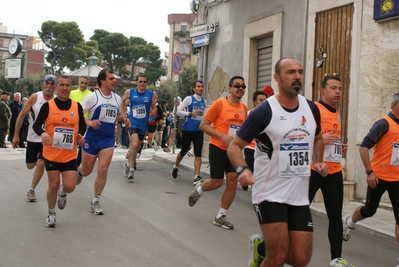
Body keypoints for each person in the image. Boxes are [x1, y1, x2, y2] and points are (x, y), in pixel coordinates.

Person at [227, 58, 328, 267]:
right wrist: (243, 169)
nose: (297, 76)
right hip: (269, 193)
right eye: (291, 72)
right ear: (277, 78)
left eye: (300, 72)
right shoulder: (264, 111)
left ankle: (261, 248)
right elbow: (234, 146)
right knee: (278, 257)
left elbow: (317, 137)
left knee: (301, 259)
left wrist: (318, 161)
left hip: (298, 195)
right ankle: (268, 252)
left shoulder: (312, 109)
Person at [343, 92, 399, 265]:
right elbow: (364, 147)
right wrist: (369, 172)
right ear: (393, 105)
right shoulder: (383, 123)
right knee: (370, 210)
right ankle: (350, 221)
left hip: (397, 179)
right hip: (378, 177)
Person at [188, 76, 247, 230]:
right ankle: (199, 189)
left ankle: (221, 216)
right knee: (217, 182)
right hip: (218, 148)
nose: (240, 88)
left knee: (233, 181)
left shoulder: (243, 108)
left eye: (243, 86)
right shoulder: (220, 104)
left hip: (234, 151)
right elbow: (203, 125)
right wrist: (222, 136)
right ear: (230, 88)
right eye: (237, 86)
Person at [308, 76, 353, 267]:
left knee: (335, 216)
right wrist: (319, 138)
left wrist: (338, 148)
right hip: (313, 170)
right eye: (333, 88)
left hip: (334, 172)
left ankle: (336, 259)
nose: (338, 92)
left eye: (340, 89)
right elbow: (299, 136)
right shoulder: (314, 109)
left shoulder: (336, 112)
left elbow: (329, 139)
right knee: (298, 211)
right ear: (322, 91)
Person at [32, 75, 86, 228]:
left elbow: (82, 125)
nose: (64, 88)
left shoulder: (77, 106)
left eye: (67, 85)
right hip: (51, 153)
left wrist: (80, 135)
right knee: (53, 185)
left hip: (69, 154)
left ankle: (63, 193)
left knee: (70, 186)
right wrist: (42, 133)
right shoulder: (48, 106)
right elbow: (36, 125)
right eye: (61, 85)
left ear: (70, 87)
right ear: (56, 87)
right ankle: (51, 213)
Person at [77, 69, 129, 215]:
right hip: (91, 138)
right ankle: (79, 171)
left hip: (107, 140)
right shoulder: (92, 98)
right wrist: (89, 122)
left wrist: (124, 119)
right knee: (87, 171)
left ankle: (95, 201)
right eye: (111, 78)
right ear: (102, 81)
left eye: (114, 78)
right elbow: (77, 114)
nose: (114, 81)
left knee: (103, 169)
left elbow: (118, 116)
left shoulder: (117, 98)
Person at [12, 75, 57, 202]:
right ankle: (33, 177)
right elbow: (21, 116)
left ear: (55, 86)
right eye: (47, 83)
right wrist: (16, 135)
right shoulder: (35, 97)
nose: (49, 86)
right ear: (43, 84)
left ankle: (31, 189)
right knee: (30, 165)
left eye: (51, 84)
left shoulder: (57, 100)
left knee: (41, 163)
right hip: (33, 136)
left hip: (48, 139)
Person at [171, 80, 206, 185]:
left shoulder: (204, 101)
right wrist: (190, 113)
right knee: (184, 150)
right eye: (198, 86)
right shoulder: (189, 99)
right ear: (194, 88)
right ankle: (176, 166)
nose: (200, 88)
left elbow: (202, 115)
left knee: (198, 153)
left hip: (199, 131)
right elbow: (177, 111)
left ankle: (196, 176)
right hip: (188, 129)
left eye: (202, 86)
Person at [121, 74, 156, 180]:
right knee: (135, 144)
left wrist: (152, 113)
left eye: (144, 82)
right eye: (140, 81)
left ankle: (127, 164)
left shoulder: (151, 94)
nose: (142, 84)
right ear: (137, 82)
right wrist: (124, 115)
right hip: (133, 123)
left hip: (143, 125)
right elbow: (122, 101)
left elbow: (154, 109)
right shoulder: (130, 92)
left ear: (146, 83)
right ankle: (131, 169)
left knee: (136, 146)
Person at [242, 90, 267, 191]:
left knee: (258, 175)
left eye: (265, 100)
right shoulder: (249, 114)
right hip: (250, 148)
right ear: (255, 102)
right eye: (261, 100)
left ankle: (256, 198)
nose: (263, 102)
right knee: (252, 172)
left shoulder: (270, 115)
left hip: (263, 150)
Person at [69, 75, 92, 167]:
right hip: (72, 122)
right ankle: (70, 160)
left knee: (82, 143)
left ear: (88, 84)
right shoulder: (71, 93)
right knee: (72, 142)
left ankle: (77, 163)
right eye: (82, 83)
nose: (83, 85)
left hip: (85, 123)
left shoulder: (91, 95)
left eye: (85, 83)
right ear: (78, 83)